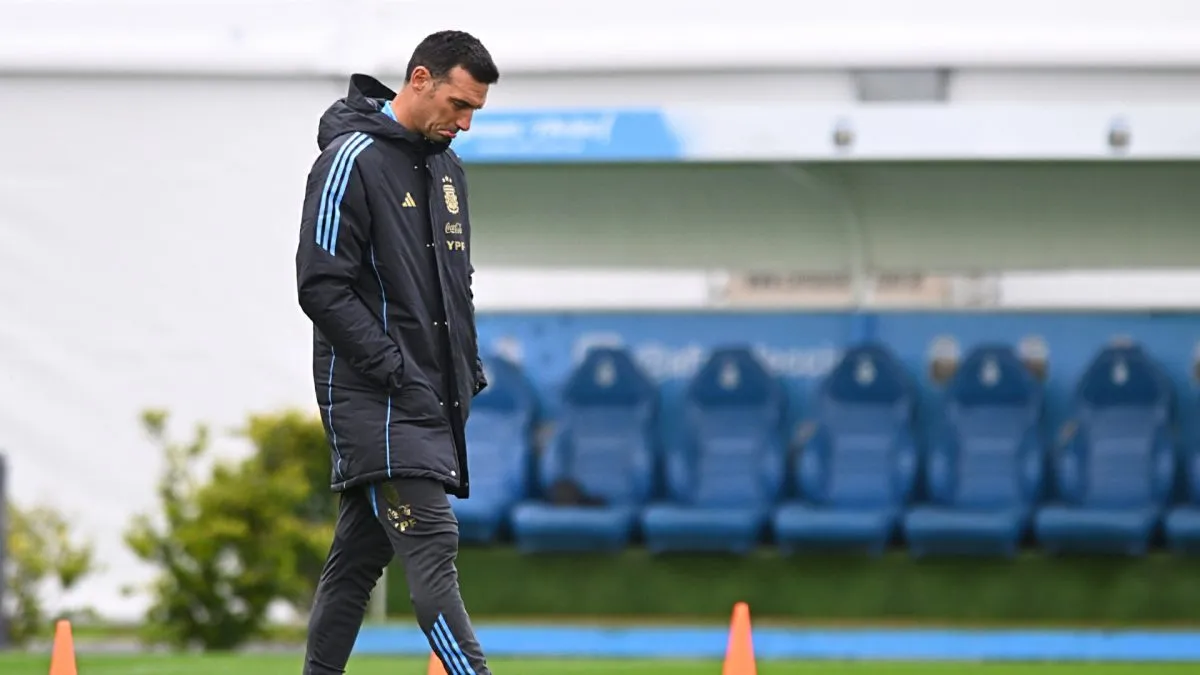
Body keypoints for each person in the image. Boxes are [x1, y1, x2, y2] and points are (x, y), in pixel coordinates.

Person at [294, 30, 499, 675]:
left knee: (355, 563)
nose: (464, 124)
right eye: (458, 105)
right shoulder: (348, 159)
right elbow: (320, 286)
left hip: (427, 400)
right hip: (376, 399)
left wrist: (465, 369)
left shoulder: (447, 170)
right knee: (433, 547)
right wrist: (394, 369)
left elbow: (453, 287)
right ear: (419, 80)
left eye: (474, 112)